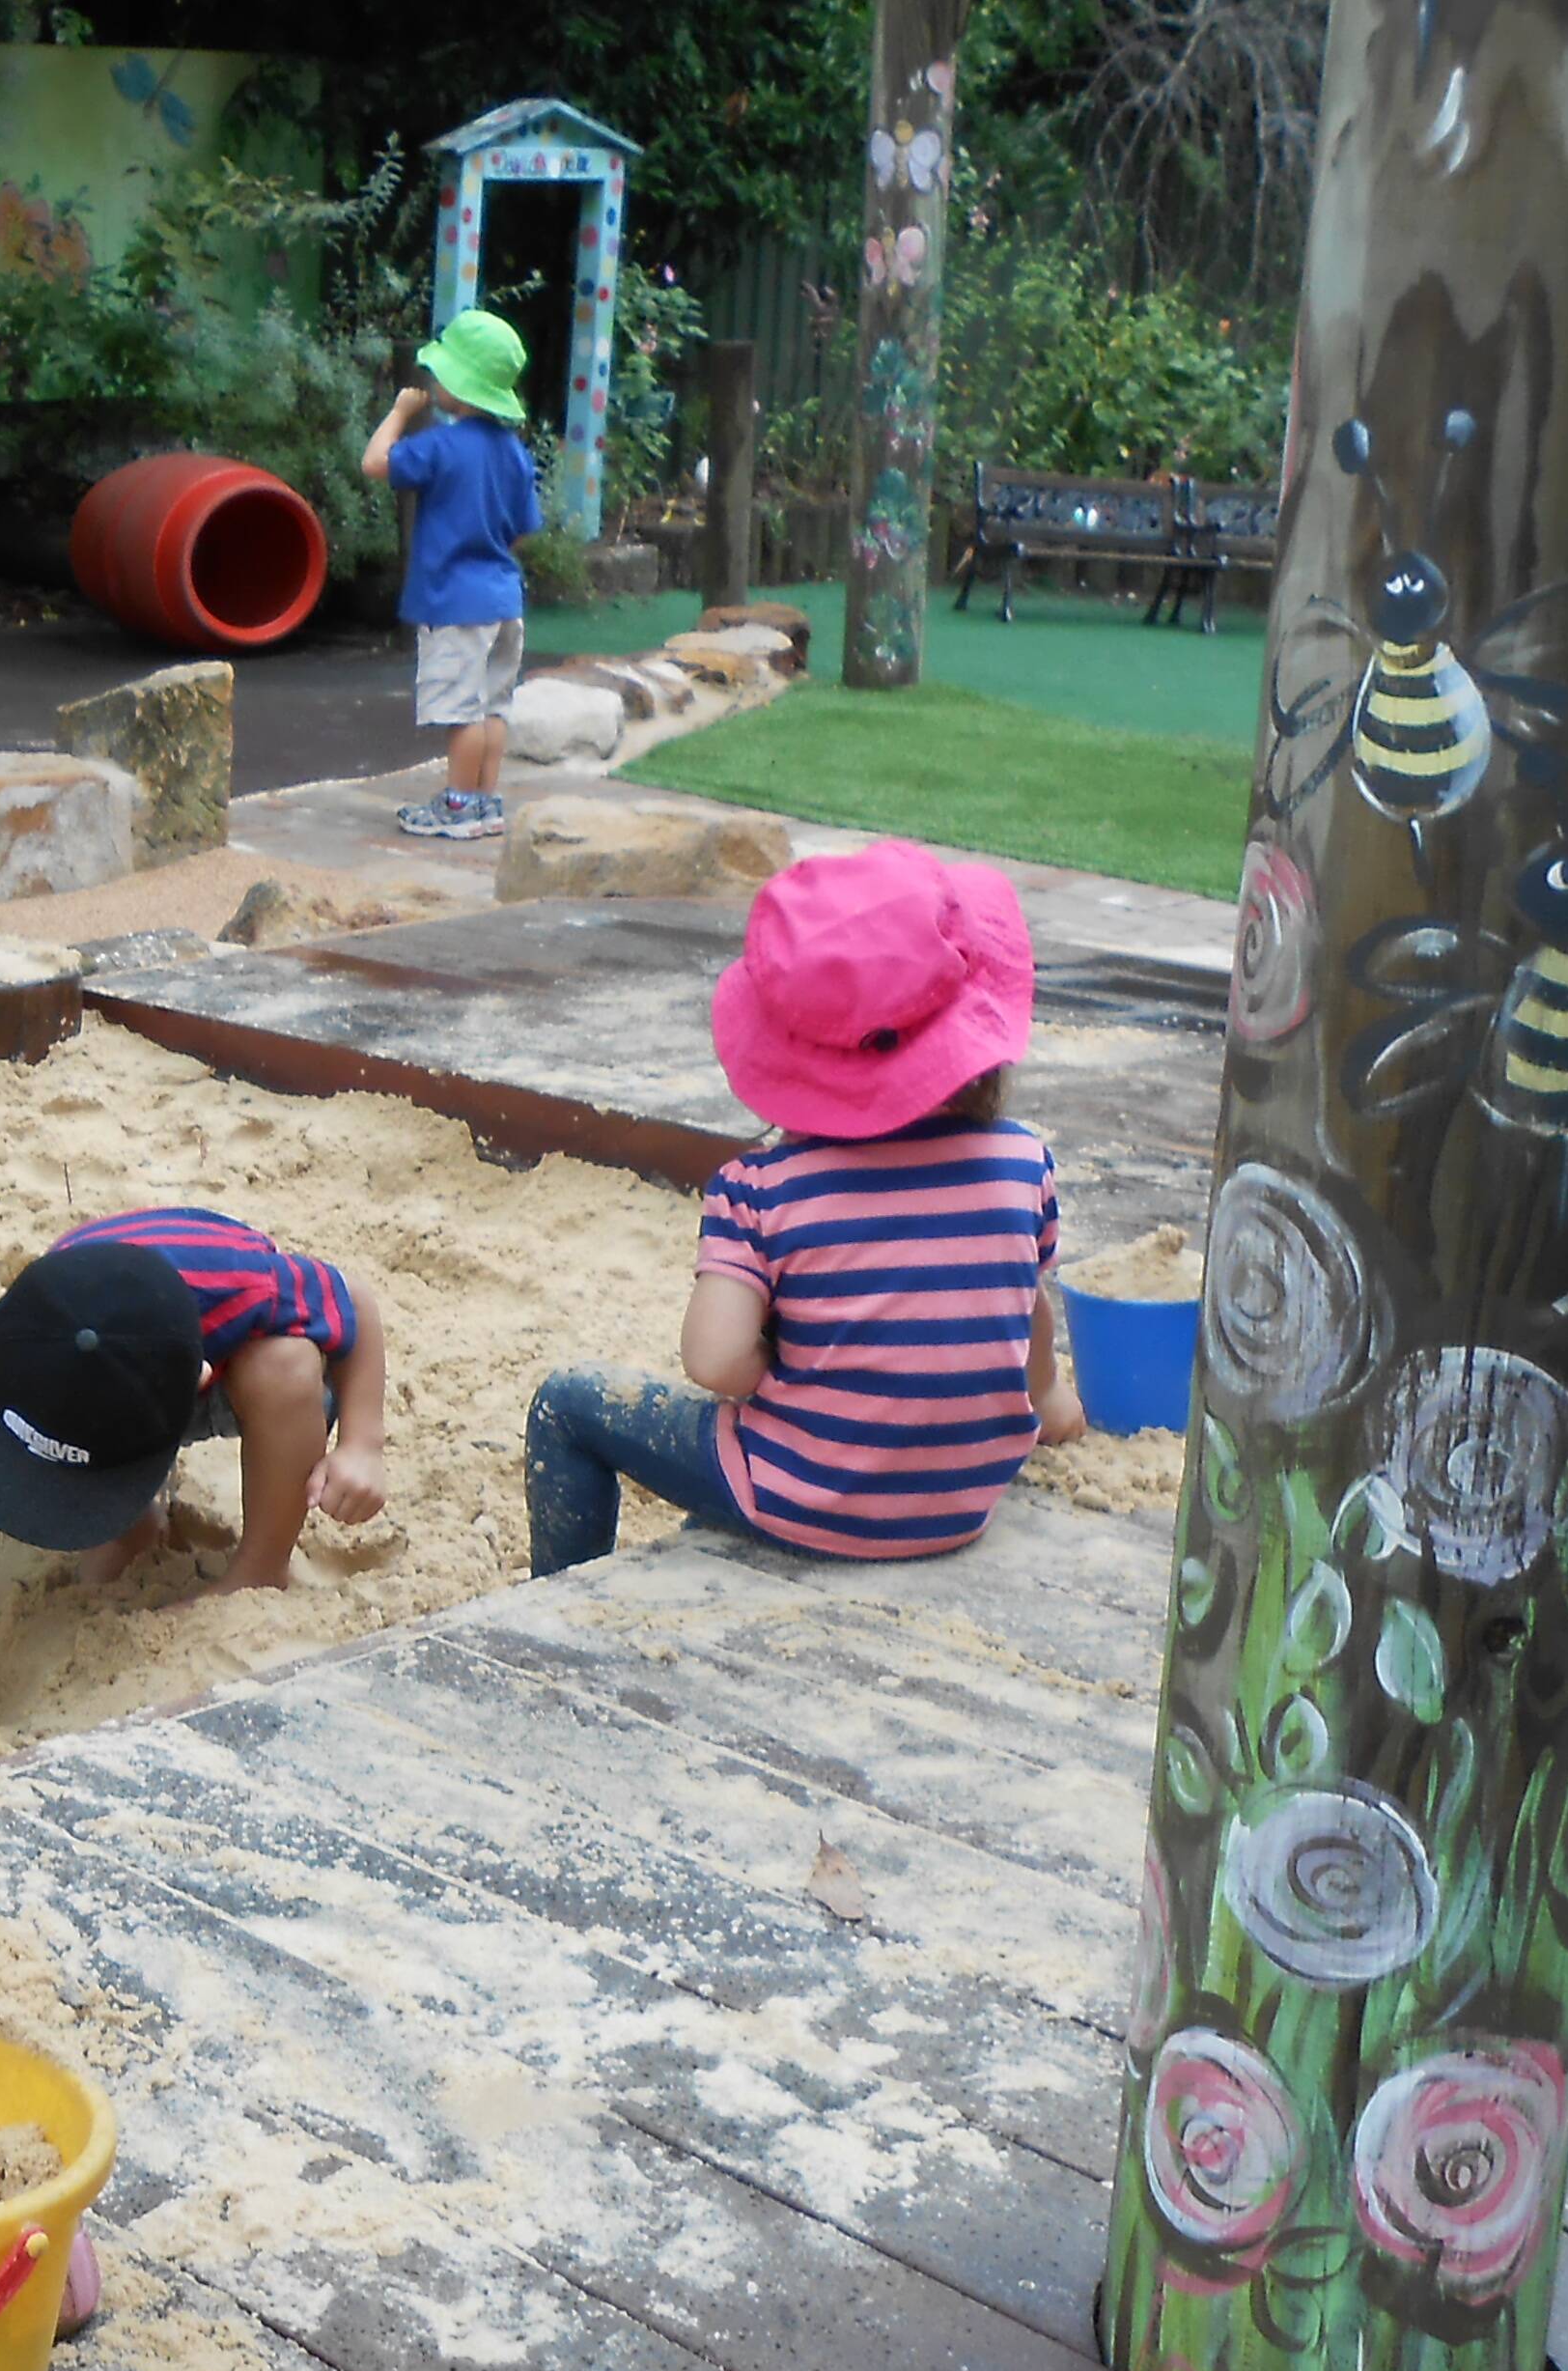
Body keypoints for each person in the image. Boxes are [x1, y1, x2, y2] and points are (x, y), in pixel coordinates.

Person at [524, 839, 1083, 1570]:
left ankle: (560, 1592)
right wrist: (1056, 1407)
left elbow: (714, 1359)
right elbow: (1026, 1313)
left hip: (808, 1502)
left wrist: (781, 1372)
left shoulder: (762, 1190)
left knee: (566, 1405)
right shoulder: (1022, 1164)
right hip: (963, 1502)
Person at [0, 1211, 387, 1730]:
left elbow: (354, 1296)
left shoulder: (244, 1287)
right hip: (109, 1376)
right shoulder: (29, 1341)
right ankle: (132, 1525)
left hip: (227, 1359)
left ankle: (259, 1570)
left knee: (283, 1367)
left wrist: (361, 1443)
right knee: (111, 1532)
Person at [370, 307, 543, 844]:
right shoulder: (514, 452)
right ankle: (487, 801)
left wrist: (399, 413)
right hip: (503, 600)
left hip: (453, 602)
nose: (433, 384)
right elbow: (523, 529)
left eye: (440, 375)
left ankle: (458, 803)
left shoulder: (442, 445)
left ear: (460, 390)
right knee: (493, 706)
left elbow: (376, 463)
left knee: (461, 713)